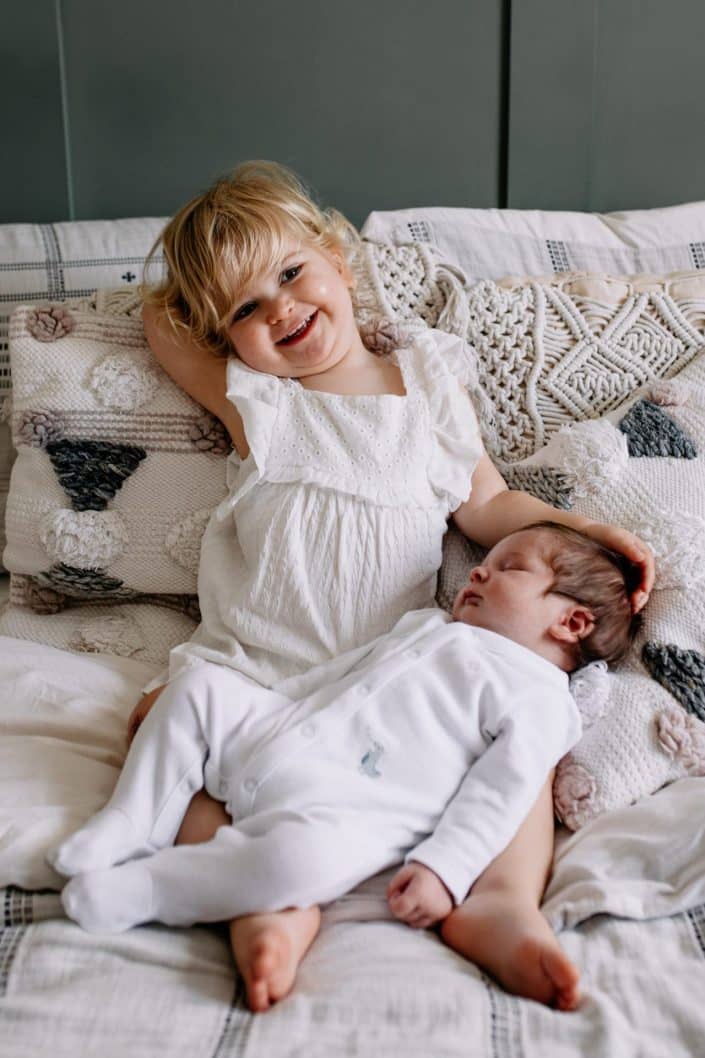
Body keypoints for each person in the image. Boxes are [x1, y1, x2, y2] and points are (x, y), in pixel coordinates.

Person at [83, 161, 653, 1012]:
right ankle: (265, 903)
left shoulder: (426, 389)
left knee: (521, 752)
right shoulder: (257, 401)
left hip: (395, 682)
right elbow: (161, 318)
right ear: (228, 338)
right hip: (256, 665)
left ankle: (497, 900)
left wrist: (584, 532)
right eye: (245, 310)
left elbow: (489, 504)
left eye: (291, 273)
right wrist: (216, 281)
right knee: (170, 733)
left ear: (339, 261)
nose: (280, 309)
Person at [53, 522, 641, 1020]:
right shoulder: (430, 628)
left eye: (508, 568)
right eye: (482, 564)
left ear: (572, 623)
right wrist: (256, 711)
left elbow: (502, 792)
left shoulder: (538, 697)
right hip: (279, 737)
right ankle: (131, 824)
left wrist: (445, 869)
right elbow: (335, 678)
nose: (477, 574)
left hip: (348, 805)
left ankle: (155, 887)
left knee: (295, 863)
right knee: (199, 687)